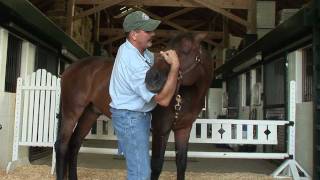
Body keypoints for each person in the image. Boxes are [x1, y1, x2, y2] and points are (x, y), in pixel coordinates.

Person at [109, 11, 180, 180]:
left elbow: (150, 58)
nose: (153, 34)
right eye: (147, 31)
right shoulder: (132, 62)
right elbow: (163, 100)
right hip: (131, 118)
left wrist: (162, 58)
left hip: (132, 116)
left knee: (138, 169)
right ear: (134, 34)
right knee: (141, 174)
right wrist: (175, 67)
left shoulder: (130, 48)